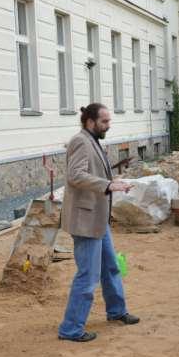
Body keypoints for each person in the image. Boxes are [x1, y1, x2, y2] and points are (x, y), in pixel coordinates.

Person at [58, 103, 140, 342]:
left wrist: (114, 181)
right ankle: (70, 329)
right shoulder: (81, 141)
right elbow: (75, 176)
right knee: (88, 275)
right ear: (90, 121)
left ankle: (116, 311)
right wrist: (107, 185)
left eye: (109, 121)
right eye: (104, 121)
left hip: (97, 218)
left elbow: (93, 175)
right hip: (85, 220)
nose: (108, 125)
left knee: (111, 266)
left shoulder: (92, 140)